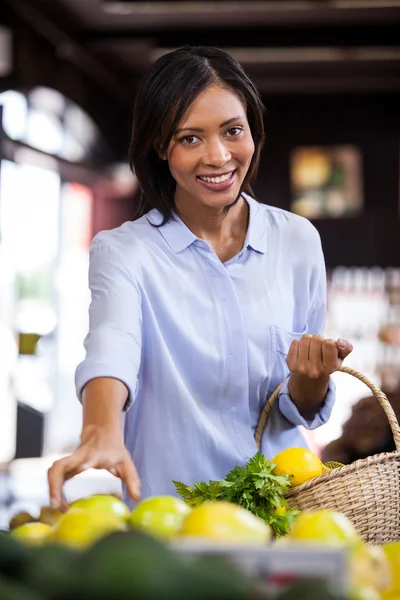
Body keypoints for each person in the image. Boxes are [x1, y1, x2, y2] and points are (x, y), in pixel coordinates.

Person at [48, 46, 353, 511]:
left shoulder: (298, 240)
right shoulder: (126, 252)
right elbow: (113, 344)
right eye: (190, 138)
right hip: (167, 525)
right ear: (159, 145)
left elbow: (299, 409)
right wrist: (101, 429)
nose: (218, 156)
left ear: (252, 128)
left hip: (282, 517)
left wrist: (313, 377)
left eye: (233, 131)